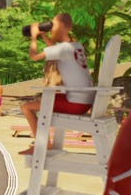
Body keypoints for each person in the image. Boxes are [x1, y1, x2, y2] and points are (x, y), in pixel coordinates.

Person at [18, 13, 93, 155]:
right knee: (42, 101)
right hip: (85, 101)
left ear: (62, 27)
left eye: (53, 26)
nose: (51, 29)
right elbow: (55, 49)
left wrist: (34, 37)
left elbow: (34, 56)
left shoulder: (63, 49)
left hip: (75, 104)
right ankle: (43, 143)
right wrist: (44, 36)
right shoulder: (75, 46)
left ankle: (42, 145)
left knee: (27, 107)